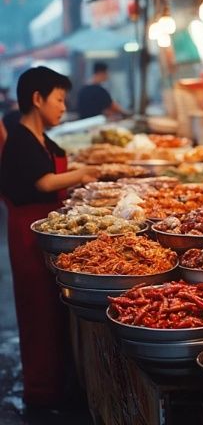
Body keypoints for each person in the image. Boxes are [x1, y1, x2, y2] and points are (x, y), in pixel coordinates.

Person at [0, 66, 100, 408]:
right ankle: (41, 393)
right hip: (28, 234)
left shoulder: (43, 138)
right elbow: (42, 183)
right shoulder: (20, 141)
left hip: (47, 230)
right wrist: (83, 173)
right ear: (37, 98)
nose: (63, 106)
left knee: (53, 311)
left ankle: (59, 384)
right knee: (37, 310)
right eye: (58, 99)